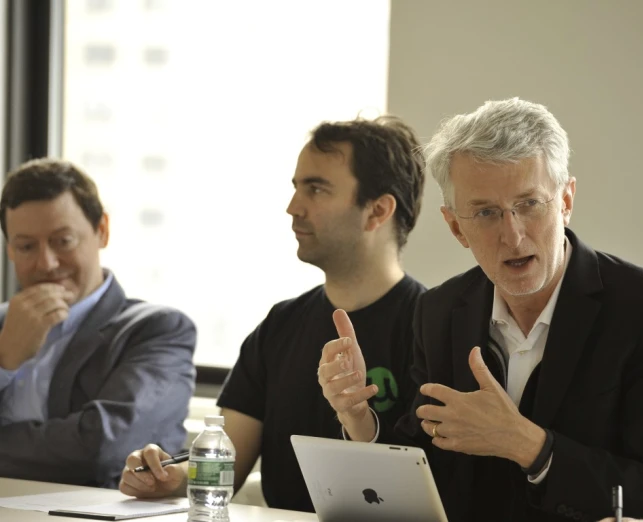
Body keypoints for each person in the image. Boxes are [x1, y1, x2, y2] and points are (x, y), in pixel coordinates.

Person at [319, 98, 643, 522]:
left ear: (565, 200)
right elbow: (428, 469)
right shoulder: (439, 311)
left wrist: (528, 446)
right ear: (456, 226)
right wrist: (360, 419)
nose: (512, 235)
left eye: (529, 204)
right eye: (486, 213)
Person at [120, 116, 427, 512]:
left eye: (316, 189)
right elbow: (225, 468)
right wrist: (167, 477)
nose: (292, 208)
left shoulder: (432, 328)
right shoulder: (279, 326)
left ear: (377, 211)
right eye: (297, 188)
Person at [0, 158, 196, 488]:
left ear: (102, 231)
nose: (46, 262)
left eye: (63, 241)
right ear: (10, 250)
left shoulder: (158, 329)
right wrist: (3, 361)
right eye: (27, 246)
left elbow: (103, 448)